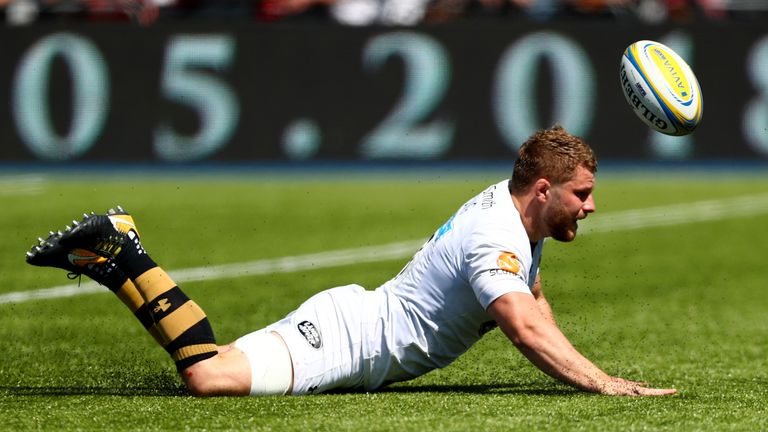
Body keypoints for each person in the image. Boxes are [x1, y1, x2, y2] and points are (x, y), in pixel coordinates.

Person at [26, 125, 677, 397]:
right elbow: (521, 323)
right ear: (544, 189)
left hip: (357, 324)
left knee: (210, 369)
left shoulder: (515, 218)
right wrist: (601, 382)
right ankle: (124, 251)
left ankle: (115, 261)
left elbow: (534, 300)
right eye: (582, 195)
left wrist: (588, 366)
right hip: (354, 342)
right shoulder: (496, 236)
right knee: (208, 379)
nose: (590, 207)